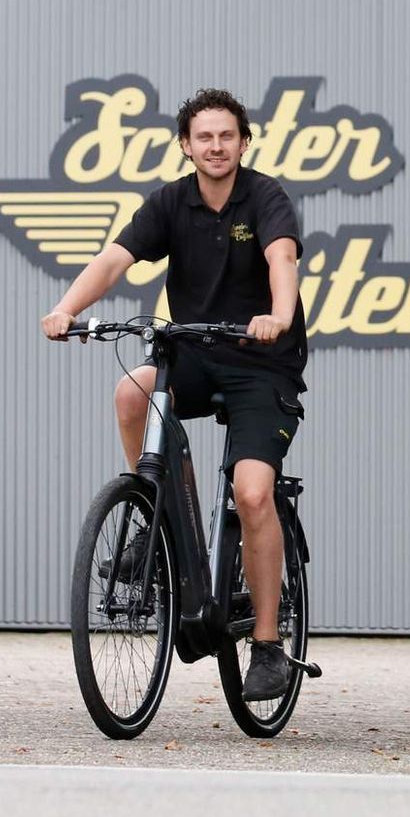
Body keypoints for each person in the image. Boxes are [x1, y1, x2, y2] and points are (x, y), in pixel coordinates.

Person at [40, 87, 308, 702]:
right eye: (204, 137)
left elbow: (282, 259)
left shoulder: (264, 197)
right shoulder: (170, 202)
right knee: (131, 391)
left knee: (252, 491)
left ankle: (268, 643)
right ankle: (156, 513)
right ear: (186, 145)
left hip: (261, 364)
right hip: (193, 353)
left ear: (244, 142)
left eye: (227, 136)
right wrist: (66, 308)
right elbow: (114, 259)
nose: (216, 146)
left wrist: (279, 315)